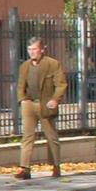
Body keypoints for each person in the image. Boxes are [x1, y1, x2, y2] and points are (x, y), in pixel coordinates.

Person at [16, 36, 68, 179]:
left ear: (42, 49)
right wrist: (22, 100)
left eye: (35, 49)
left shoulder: (52, 64)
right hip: (29, 104)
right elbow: (20, 85)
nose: (32, 52)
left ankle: (56, 166)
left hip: (45, 104)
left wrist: (55, 99)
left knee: (51, 136)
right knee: (27, 136)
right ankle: (24, 168)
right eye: (29, 49)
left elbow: (61, 84)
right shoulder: (25, 66)